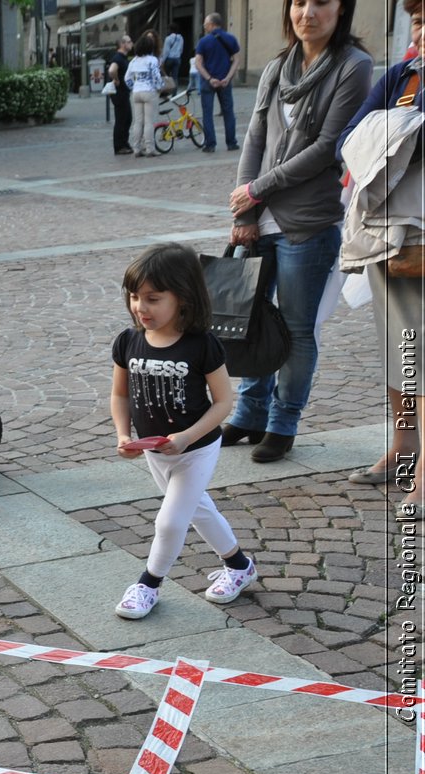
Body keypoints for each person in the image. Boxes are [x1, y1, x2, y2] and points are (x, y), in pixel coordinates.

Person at [221, 0, 372, 463]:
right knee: (250, 319)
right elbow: (255, 138)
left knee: (298, 329)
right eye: (298, 3)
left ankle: (283, 424)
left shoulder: (354, 66)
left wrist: (257, 189)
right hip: (260, 218)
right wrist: (245, 212)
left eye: (320, 3)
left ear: (341, 9)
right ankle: (248, 413)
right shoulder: (277, 66)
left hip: (307, 222)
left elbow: (329, 147)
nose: (308, 12)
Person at [110, 243, 257, 620]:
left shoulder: (201, 345)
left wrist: (188, 437)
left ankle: (148, 584)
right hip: (154, 451)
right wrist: (123, 435)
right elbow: (119, 394)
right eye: (134, 297)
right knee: (198, 510)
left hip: (197, 449)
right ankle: (240, 566)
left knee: (171, 520)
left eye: (152, 298)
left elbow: (224, 402)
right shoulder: (128, 341)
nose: (140, 307)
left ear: (183, 298)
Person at [336, 0, 423, 520]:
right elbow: (349, 137)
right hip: (390, 239)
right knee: (397, 351)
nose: (422, 28)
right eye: (417, 20)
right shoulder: (402, 76)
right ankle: (404, 447)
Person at [194, 12, 244, 152]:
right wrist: (228, 77)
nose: (205, 28)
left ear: (211, 24)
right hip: (225, 82)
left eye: (205, 25)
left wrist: (209, 78)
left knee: (207, 113)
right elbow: (237, 60)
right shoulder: (231, 38)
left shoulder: (203, 41)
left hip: (208, 83)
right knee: (228, 112)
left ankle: (210, 145)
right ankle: (231, 143)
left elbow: (198, 63)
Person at [126, 34, 165, 157]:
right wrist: (159, 87)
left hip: (136, 92)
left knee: (137, 122)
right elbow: (156, 77)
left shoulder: (134, 60)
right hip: (149, 92)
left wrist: (133, 87)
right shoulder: (152, 60)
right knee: (149, 122)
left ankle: (136, 148)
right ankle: (150, 148)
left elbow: (127, 78)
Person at [108, 35, 135, 156]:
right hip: (119, 93)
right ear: (123, 44)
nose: (131, 44)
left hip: (124, 92)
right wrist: (116, 79)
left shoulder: (123, 58)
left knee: (127, 118)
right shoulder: (118, 58)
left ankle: (124, 143)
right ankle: (119, 146)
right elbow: (112, 70)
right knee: (121, 119)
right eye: (129, 42)